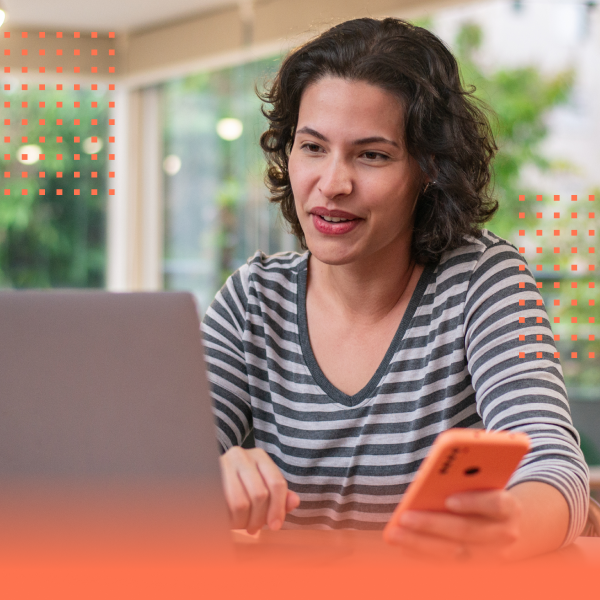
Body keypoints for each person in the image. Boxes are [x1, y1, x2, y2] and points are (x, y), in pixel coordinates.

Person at [201, 17, 589, 561]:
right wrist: (203, 478)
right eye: (312, 147)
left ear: (428, 167)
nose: (333, 183)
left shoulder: (482, 280)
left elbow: (554, 467)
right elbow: (152, 479)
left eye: (372, 155)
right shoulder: (253, 299)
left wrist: (508, 524)